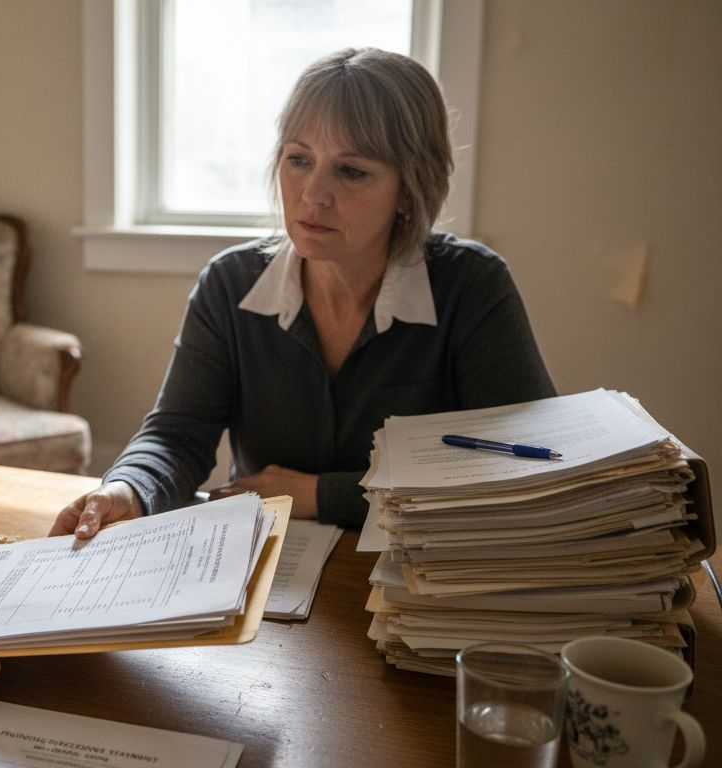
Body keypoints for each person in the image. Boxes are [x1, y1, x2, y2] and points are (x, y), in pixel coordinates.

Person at [53, 47, 555, 539]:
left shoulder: (472, 285)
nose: (313, 194)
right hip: (271, 567)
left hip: (419, 572)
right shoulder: (231, 284)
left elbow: (520, 465)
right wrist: (127, 488)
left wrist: (322, 495)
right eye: (298, 159)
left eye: (351, 170)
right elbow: (176, 435)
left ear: (408, 190)